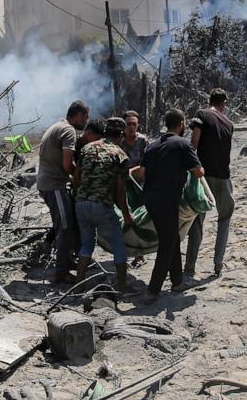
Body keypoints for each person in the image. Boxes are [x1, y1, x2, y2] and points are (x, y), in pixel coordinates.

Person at [139, 108, 204, 296]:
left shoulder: (151, 146)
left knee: (172, 237)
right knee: (167, 243)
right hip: (167, 200)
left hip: (150, 200)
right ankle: (153, 290)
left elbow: (142, 174)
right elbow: (198, 172)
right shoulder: (183, 144)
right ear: (182, 124)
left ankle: (177, 282)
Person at [74, 117, 134, 292]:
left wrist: (81, 194)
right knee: (118, 243)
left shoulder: (87, 148)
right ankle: (122, 284)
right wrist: (126, 215)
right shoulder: (120, 155)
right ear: (121, 135)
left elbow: (77, 176)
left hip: (81, 204)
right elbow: (120, 191)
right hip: (102, 206)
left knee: (86, 244)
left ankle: (79, 284)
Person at [37, 100, 89, 284]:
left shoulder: (57, 126)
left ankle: (66, 262)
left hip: (49, 183)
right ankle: (61, 272)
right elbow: (67, 164)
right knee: (65, 228)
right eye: (86, 116)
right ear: (79, 115)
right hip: (54, 185)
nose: (86, 120)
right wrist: (79, 177)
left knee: (67, 224)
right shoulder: (68, 131)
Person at [187, 89, 236, 278]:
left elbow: (194, 143)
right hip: (223, 176)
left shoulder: (202, 114)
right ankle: (218, 264)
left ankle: (190, 267)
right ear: (224, 102)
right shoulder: (229, 124)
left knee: (197, 220)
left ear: (210, 101)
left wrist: (189, 167)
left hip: (203, 175)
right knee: (224, 219)